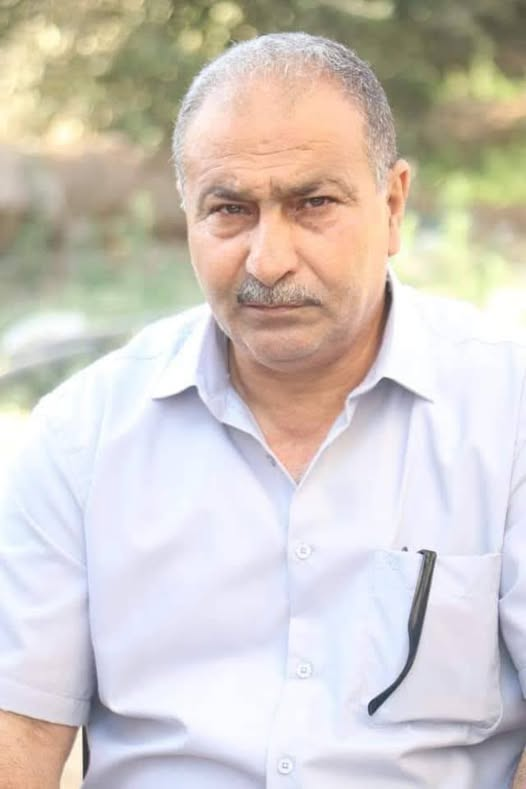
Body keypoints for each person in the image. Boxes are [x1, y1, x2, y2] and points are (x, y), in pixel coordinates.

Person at [1, 31, 526, 789]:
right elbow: (17, 732)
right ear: (187, 214)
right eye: (229, 209)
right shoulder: (80, 438)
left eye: (313, 204)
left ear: (393, 204)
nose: (267, 260)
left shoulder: (506, 417)